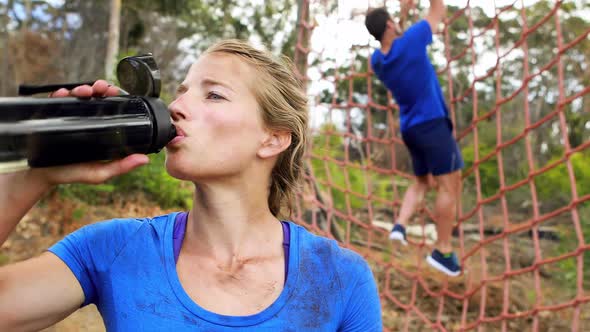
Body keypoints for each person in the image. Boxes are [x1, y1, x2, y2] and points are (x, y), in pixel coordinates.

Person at [0, 39, 382, 331]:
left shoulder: (340, 278)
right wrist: (36, 175)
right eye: (182, 91)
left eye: (213, 94)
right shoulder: (112, 249)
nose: (177, 106)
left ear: (272, 139)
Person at [365, 1, 464, 277]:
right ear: (389, 25)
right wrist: (407, 11)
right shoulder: (411, 41)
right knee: (449, 185)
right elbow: (438, 8)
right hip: (432, 123)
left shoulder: (377, 60)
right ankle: (443, 250)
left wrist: (403, 13)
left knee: (422, 181)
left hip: (410, 129)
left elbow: (394, 42)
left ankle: (400, 225)